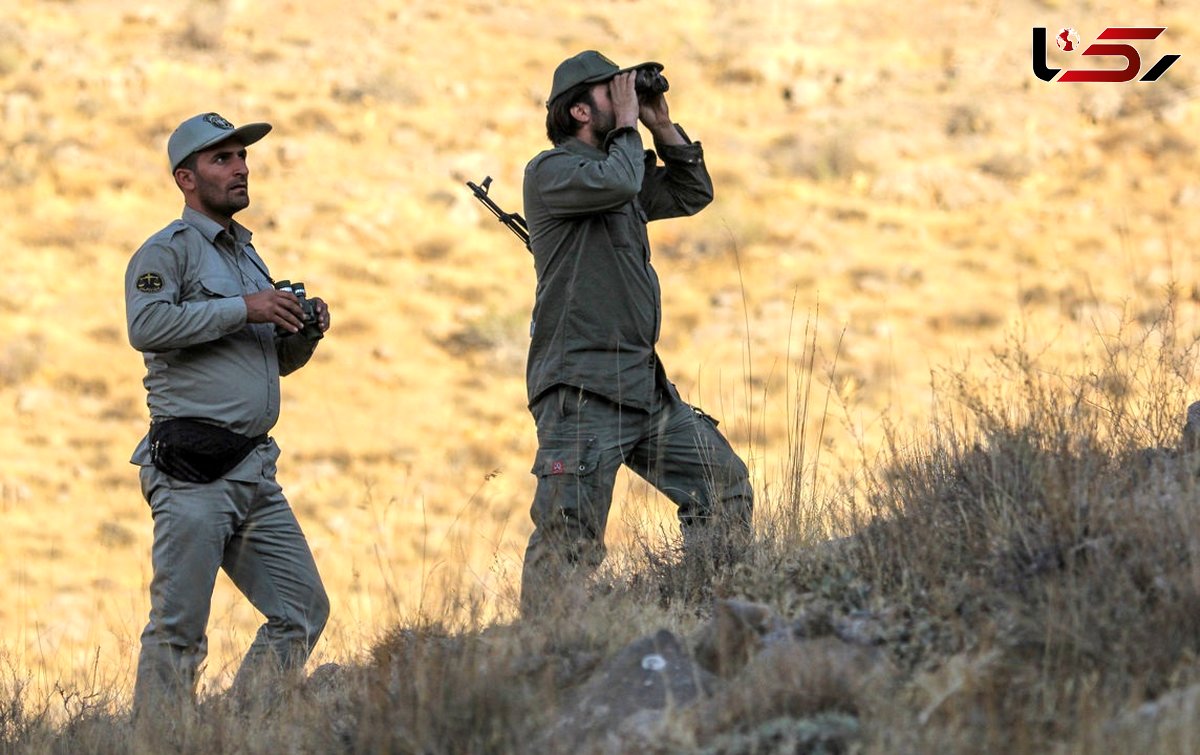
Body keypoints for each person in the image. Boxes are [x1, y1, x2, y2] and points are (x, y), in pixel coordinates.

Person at [519, 51, 754, 613]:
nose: (624, 96)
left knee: (723, 490)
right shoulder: (553, 172)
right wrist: (627, 127)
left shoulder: (618, 172)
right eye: (610, 90)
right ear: (579, 110)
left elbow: (691, 193)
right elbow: (620, 181)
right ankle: (545, 658)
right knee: (567, 541)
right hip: (582, 390)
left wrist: (661, 124)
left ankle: (702, 611)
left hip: (641, 386)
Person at [124, 112, 331, 715]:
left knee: (301, 612)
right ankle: (159, 745)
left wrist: (303, 329)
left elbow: (272, 364)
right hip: (191, 472)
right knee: (178, 632)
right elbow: (148, 326)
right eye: (223, 159)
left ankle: (242, 732)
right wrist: (246, 308)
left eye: (242, 157)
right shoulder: (168, 251)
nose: (241, 168)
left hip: (252, 471)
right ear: (186, 179)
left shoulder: (248, 256)